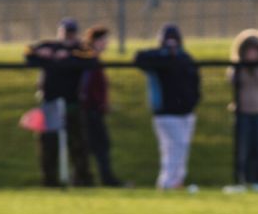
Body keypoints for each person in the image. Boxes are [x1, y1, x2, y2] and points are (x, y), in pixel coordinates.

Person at [24, 17, 96, 187]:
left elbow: (91, 58)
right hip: (50, 103)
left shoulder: (80, 49)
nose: (68, 36)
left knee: (78, 143)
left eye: (71, 33)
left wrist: (68, 55)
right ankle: (50, 180)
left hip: (72, 103)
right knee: (48, 143)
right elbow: (28, 52)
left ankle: (82, 178)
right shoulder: (49, 46)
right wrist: (41, 53)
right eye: (65, 32)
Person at [134, 24, 201, 190]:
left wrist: (193, 101)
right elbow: (139, 58)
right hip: (166, 113)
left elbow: (195, 84)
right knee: (174, 147)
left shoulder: (185, 59)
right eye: (168, 41)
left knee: (182, 148)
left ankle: (177, 182)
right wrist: (164, 53)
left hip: (186, 113)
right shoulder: (157, 59)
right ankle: (167, 183)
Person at [229, 28, 258, 186]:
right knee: (244, 149)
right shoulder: (238, 66)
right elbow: (233, 80)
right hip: (243, 112)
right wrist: (244, 66)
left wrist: (255, 67)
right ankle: (243, 180)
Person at [80, 25, 125, 187]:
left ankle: (83, 178)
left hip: (94, 109)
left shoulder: (94, 60)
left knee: (93, 146)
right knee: (98, 146)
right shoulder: (89, 60)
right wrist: (97, 104)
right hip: (90, 111)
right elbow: (86, 88)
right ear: (96, 41)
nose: (107, 44)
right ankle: (103, 179)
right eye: (104, 40)